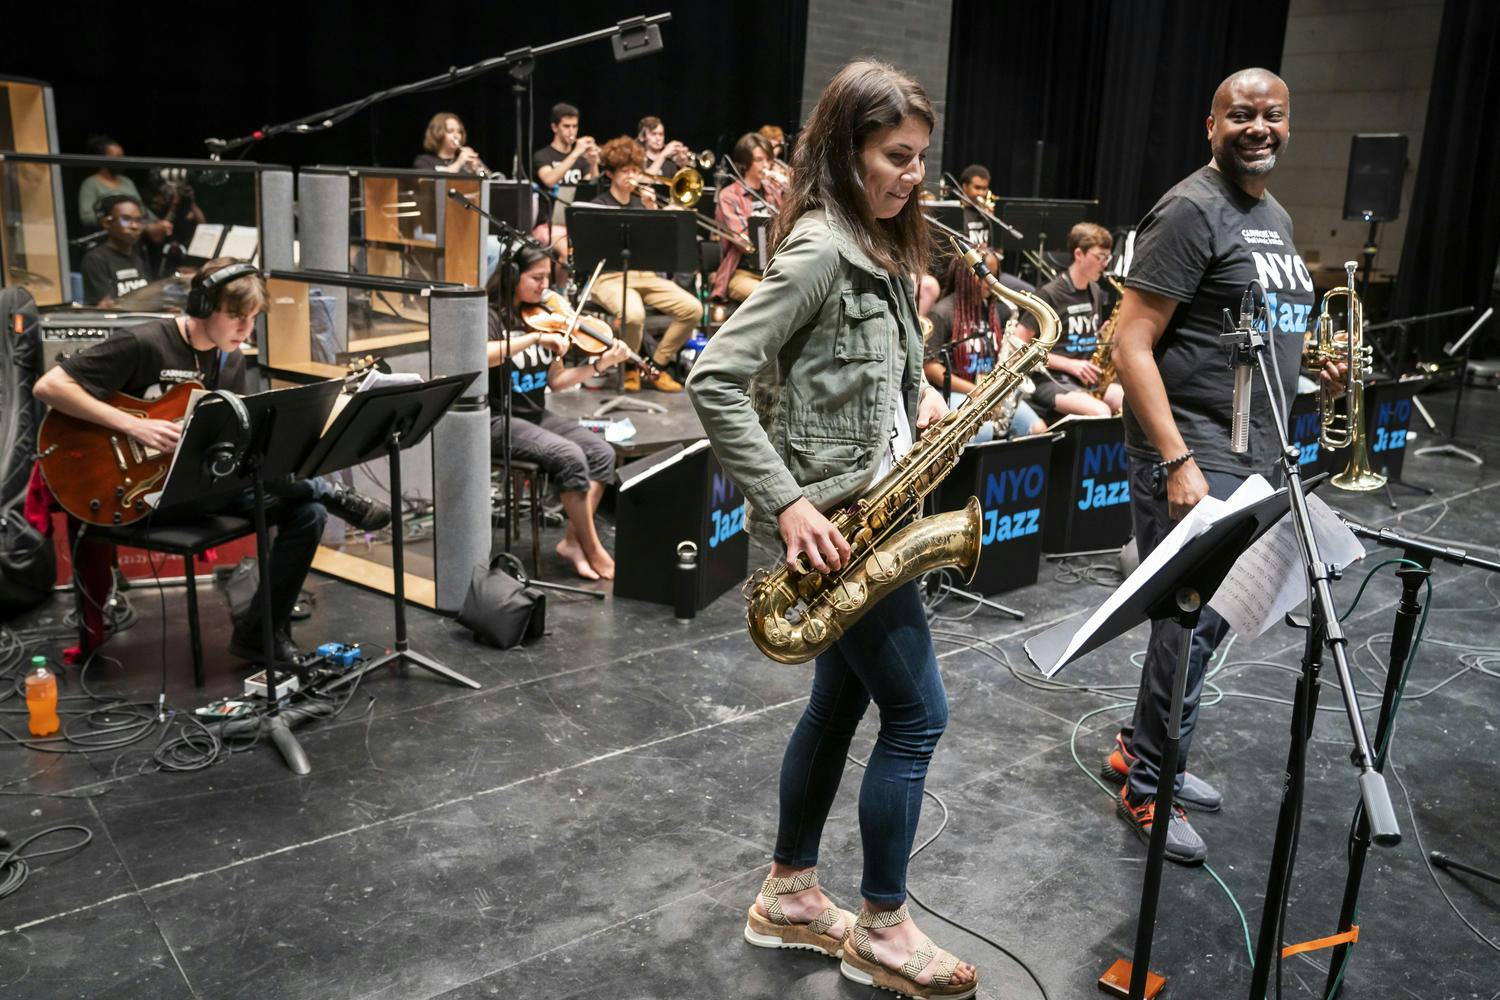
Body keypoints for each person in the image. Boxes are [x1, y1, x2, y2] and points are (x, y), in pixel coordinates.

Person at [687, 60, 978, 1000]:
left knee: (840, 707)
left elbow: (867, 376)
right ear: (846, 151)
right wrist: (787, 502)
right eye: (897, 157)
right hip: (836, 524)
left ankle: (791, 894)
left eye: (920, 159)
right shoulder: (818, 251)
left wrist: (921, 406)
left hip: (876, 504)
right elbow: (714, 379)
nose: (914, 176)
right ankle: (884, 928)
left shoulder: (883, 247)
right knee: (919, 715)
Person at [1111, 68, 1341, 865]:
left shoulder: (1271, 216)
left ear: (1288, 123)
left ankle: (1142, 747)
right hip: (1195, 445)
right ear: (1211, 124)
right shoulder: (1189, 208)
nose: (1259, 127)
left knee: (1206, 625)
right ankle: (1148, 783)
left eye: (1273, 115)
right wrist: (1175, 458)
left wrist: (1315, 369)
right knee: (1190, 620)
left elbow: (1259, 328)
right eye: (1241, 114)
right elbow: (1129, 340)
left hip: (1253, 449)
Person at [34, 258, 391, 664]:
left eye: (252, 320)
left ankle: (259, 634)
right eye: (236, 317)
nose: (245, 330)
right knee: (283, 484)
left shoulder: (229, 360)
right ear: (203, 306)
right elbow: (50, 385)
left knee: (307, 514)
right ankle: (328, 490)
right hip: (139, 495)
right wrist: (134, 427)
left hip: (195, 487)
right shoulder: (146, 343)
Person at [487, 246, 626, 580]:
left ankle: (573, 542)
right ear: (512, 276)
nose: (544, 286)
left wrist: (598, 365)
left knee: (601, 452)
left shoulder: (544, 314)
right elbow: (484, 355)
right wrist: (534, 337)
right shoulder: (492, 316)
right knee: (570, 456)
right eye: (536, 278)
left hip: (534, 415)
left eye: (548, 277)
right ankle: (594, 551)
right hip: (496, 418)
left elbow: (557, 380)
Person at [581, 136, 698, 393]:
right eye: (625, 171)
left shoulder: (642, 201)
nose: (632, 176)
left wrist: (653, 212)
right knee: (633, 315)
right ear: (611, 173)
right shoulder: (599, 204)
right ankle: (631, 367)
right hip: (609, 277)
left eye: (635, 170)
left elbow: (659, 248)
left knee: (693, 308)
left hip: (644, 275)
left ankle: (655, 367)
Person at [924, 247, 1047, 438]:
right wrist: (975, 390)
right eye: (984, 276)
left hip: (989, 394)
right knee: (984, 432)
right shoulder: (942, 312)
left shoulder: (995, 310)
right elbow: (931, 369)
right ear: (965, 275)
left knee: (1038, 430)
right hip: (956, 393)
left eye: (994, 275)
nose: (990, 283)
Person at [1018, 222, 1123, 418]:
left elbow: (1081, 333)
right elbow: (1018, 345)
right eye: (1099, 257)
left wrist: (1101, 335)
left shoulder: (1095, 290)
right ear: (1079, 254)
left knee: (1130, 400)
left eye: (1107, 258)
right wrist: (1069, 365)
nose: (1105, 264)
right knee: (1100, 411)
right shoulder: (1049, 294)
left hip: (1085, 377)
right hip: (1050, 379)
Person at [712, 132, 783, 303]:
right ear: (745, 163)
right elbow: (744, 242)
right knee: (772, 299)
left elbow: (790, 225)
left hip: (773, 271)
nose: (765, 165)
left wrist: (786, 185)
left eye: (768, 159)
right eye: (759, 160)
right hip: (742, 272)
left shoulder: (774, 191)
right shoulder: (729, 195)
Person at [76, 136, 170, 245]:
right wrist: (118, 218)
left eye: (123, 156)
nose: (122, 160)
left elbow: (141, 208)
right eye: (117, 157)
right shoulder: (91, 184)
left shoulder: (126, 182)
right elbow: (87, 218)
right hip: (107, 241)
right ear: (103, 159)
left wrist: (158, 222)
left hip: (134, 240)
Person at [80, 194, 154, 306]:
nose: (134, 226)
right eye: (126, 219)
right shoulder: (95, 259)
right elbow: (105, 306)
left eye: (138, 220)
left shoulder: (141, 255)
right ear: (107, 223)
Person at [533, 103, 599, 188]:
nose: (572, 131)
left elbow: (593, 188)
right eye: (566, 126)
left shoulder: (582, 159)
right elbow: (549, 181)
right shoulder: (542, 155)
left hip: (576, 201)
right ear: (554, 128)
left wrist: (593, 163)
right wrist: (575, 153)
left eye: (574, 126)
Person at [413, 112, 487, 174]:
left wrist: (477, 169)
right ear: (437, 133)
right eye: (450, 131)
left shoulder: (465, 163)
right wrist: (458, 163)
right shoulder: (423, 161)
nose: (456, 136)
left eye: (459, 132)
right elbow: (433, 183)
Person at [956, 164, 992, 247]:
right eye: (977, 188)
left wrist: (993, 221)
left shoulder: (988, 213)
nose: (981, 193)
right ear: (965, 186)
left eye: (984, 189)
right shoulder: (957, 211)